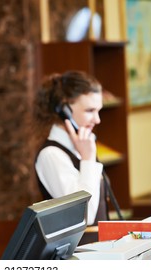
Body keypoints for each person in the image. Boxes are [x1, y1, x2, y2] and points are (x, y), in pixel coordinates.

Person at [33, 70, 109, 227]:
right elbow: (84, 215)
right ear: (64, 110)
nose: (98, 120)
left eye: (98, 110)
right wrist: (88, 159)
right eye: (90, 111)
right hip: (79, 251)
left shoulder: (82, 147)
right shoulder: (51, 155)